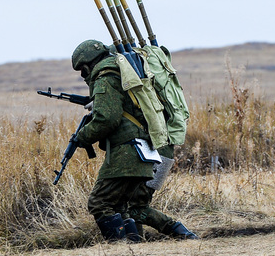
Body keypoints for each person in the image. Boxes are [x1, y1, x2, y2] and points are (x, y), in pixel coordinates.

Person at [70, 39, 196, 242]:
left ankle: (126, 247)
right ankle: (137, 247)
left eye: (83, 71)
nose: (84, 77)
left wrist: (82, 136)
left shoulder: (106, 77)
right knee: (128, 207)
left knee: (100, 203)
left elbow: (106, 119)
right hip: (151, 148)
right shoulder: (124, 73)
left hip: (129, 152)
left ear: (89, 64)